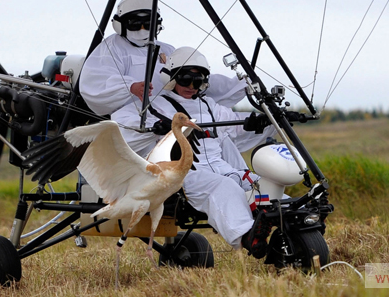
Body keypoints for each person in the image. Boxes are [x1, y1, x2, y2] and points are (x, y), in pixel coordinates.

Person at [112, 46, 276, 258]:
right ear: (171, 79)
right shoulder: (155, 106)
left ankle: (290, 222)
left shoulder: (209, 105)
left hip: (221, 167)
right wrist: (155, 127)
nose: (191, 86)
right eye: (185, 80)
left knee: (258, 183)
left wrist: (253, 122)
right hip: (185, 173)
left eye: (197, 82)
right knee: (223, 186)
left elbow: (233, 126)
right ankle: (248, 236)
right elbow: (120, 123)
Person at [79, 0, 246, 119]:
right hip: (133, 121)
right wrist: (130, 87)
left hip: (168, 118)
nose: (143, 29)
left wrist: (240, 85)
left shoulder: (166, 49)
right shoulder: (112, 48)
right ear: (120, 24)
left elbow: (191, 77)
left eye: (148, 24)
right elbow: (96, 81)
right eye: (136, 24)